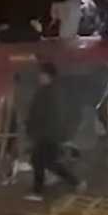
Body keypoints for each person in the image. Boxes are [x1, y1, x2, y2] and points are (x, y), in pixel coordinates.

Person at [24, 63, 86, 202]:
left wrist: (39, 132)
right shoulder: (45, 92)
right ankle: (76, 182)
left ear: (49, 76)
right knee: (48, 163)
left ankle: (37, 192)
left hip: (47, 135)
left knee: (39, 161)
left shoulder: (50, 94)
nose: (39, 77)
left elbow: (48, 116)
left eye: (42, 74)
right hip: (46, 135)